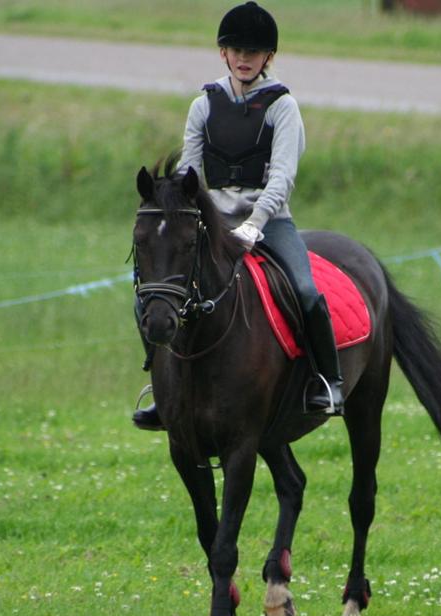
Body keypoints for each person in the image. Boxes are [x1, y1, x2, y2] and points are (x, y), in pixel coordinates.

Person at [133, 1, 344, 431]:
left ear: (269, 57)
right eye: (236, 50)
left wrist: (254, 223)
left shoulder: (283, 107)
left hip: (270, 221)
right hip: (213, 222)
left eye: (254, 52)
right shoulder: (203, 106)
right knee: (150, 291)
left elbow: (283, 177)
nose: (244, 59)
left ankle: (327, 381)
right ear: (223, 53)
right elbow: (191, 176)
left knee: (305, 291)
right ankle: (163, 391)